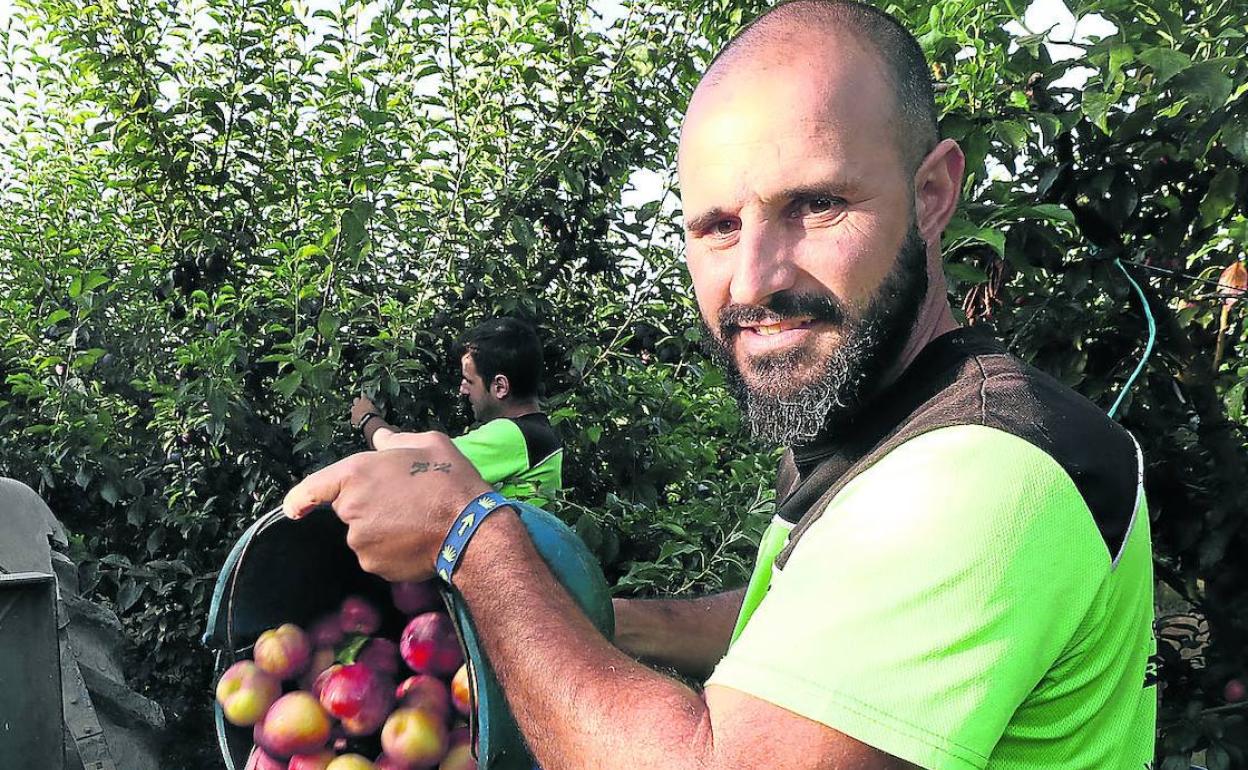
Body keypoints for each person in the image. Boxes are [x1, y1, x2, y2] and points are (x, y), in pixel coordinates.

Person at [287, 2, 1156, 767]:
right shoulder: (888, 421)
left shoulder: (979, 473)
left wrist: (471, 535)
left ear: (931, 194)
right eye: (715, 226)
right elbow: (811, 621)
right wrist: (599, 617)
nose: (752, 280)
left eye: (816, 206)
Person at [349, 316, 563, 506]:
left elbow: (408, 460)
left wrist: (368, 418)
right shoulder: (535, 433)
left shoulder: (514, 436)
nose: (462, 388)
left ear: (500, 387)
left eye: (469, 380)